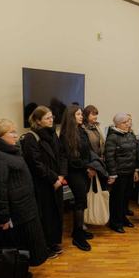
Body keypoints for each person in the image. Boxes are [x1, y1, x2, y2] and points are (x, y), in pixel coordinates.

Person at [0, 119, 48, 278]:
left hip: (24, 209)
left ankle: (21, 273)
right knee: (15, 246)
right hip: (14, 213)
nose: (15, 135)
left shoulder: (9, 151)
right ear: (0, 136)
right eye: (11, 132)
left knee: (25, 244)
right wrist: (3, 217)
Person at [21, 106, 66, 259]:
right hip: (42, 183)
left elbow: (62, 155)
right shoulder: (30, 137)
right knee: (45, 216)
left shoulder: (53, 134)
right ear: (38, 121)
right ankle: (44, 246)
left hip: (57, 181)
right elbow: (35, 163)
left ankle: (53, 242)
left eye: (52, 117)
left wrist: (61, 176)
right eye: (47, 118)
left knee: (56, 214)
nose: (51, 120)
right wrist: (54, 178)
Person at [60, 105, 95, 251]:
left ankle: (78, 230)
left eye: (81, 114)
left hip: (84, 171)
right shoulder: (65, 135)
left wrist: (92, 166)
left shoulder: (81, 130)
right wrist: (87, 167)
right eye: (78, 114)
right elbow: (72, 159)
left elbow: (87, 152)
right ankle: (78, 237)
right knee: (79, 203)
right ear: (71, 117)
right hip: (75, 173)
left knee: (82, 201)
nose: (82, 116)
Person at [104, 112, 139, 233]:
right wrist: (113, 174)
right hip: (119, 174)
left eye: (128, 122)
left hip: (130, 172)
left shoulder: (130, 134)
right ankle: (115, 223)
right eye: (125, 122)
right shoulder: (112, 137)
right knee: (117, 199)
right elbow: (109, 157)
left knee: (126, 198)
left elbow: (135, 153)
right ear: (118, 124)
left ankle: (123, 218)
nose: (128, 124)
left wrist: (136, 170)